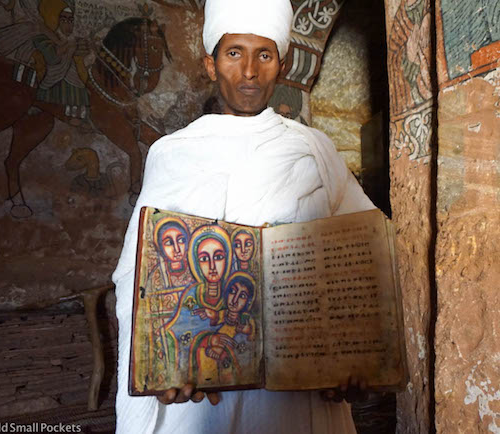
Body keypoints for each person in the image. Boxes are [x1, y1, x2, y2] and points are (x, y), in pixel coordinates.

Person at [111, 0, 375, 432]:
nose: (249, 71)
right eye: (234, 53)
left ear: (282, 65)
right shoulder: (172, 153)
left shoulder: (314, 150)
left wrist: (359, 356)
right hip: (197, 393)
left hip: (296, 395)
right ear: (210, 64)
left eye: (264, 55)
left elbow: (364, 256)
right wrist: (156, 360)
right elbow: (136, 276)